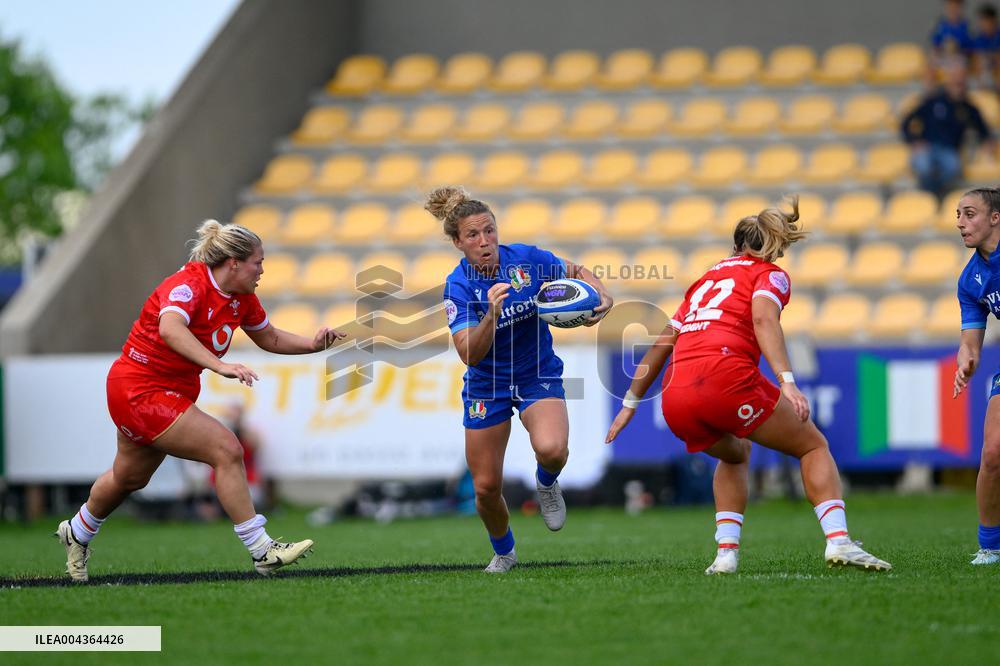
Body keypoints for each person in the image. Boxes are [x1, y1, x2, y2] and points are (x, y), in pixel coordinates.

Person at [605, 196, 891, 575]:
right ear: (773, 247)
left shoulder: (704, 282)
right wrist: (788, 382)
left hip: (676, 394)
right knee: (813, 445)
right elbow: (763, 321)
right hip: (726, 376)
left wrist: (629, 403)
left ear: (736, 245)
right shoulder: (767, 274)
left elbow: (662, 342)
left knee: (735, 453)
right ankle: (838, 540)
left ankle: (726, 555)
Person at [55, 220, 346, 581]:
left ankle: (77, 531)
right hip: (139, 388)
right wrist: (219, 365)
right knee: (226, 449)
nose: (263, 270)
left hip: (166, 392)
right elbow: (170, 329)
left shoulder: (241, 298)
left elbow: (268, 337)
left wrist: (312, 345)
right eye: (259, 262)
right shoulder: (189, 284)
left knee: (129, 477)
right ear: (234, 262)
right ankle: (262, 549)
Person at [427, 186, 612, 573]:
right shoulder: (457, 287)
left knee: (553, 450)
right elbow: (468, 354)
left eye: (490, 231)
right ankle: (505, 551)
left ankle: (546, 483)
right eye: (473, 236)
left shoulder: (527, 259)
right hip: (486, 384)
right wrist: (491, 315)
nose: (485, 241)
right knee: (485, 488)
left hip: (536, 373)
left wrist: (602, 294)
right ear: (458, 242)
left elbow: (575, 271)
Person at [952, 186, 1000, 564]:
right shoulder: (971, 280)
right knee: (993, 453)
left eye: (969, 214)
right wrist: (965, 362)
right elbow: (971, 342)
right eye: (958, 215)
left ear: (994, 218)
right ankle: (990, 546)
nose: (960, 223)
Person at [901, 62, 994, 197]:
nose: (958, 82)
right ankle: (933, 197)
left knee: (953, 168)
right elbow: (907, 121)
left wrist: (986, 141)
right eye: (955, 78)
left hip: (950, 149)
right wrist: (914, 141)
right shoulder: (933, 100)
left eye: (961, 79)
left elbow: (982, 128)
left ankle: (933, 195)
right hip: (928, 146)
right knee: (923, 166)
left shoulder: (967, 106)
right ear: (948, 79)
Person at [972, 4, 1000, 86]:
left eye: (986, 20)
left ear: (993, 21)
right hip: (985, 74)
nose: (983, 24)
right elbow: (976, 60)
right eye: (982, 21)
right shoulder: (979, 38)